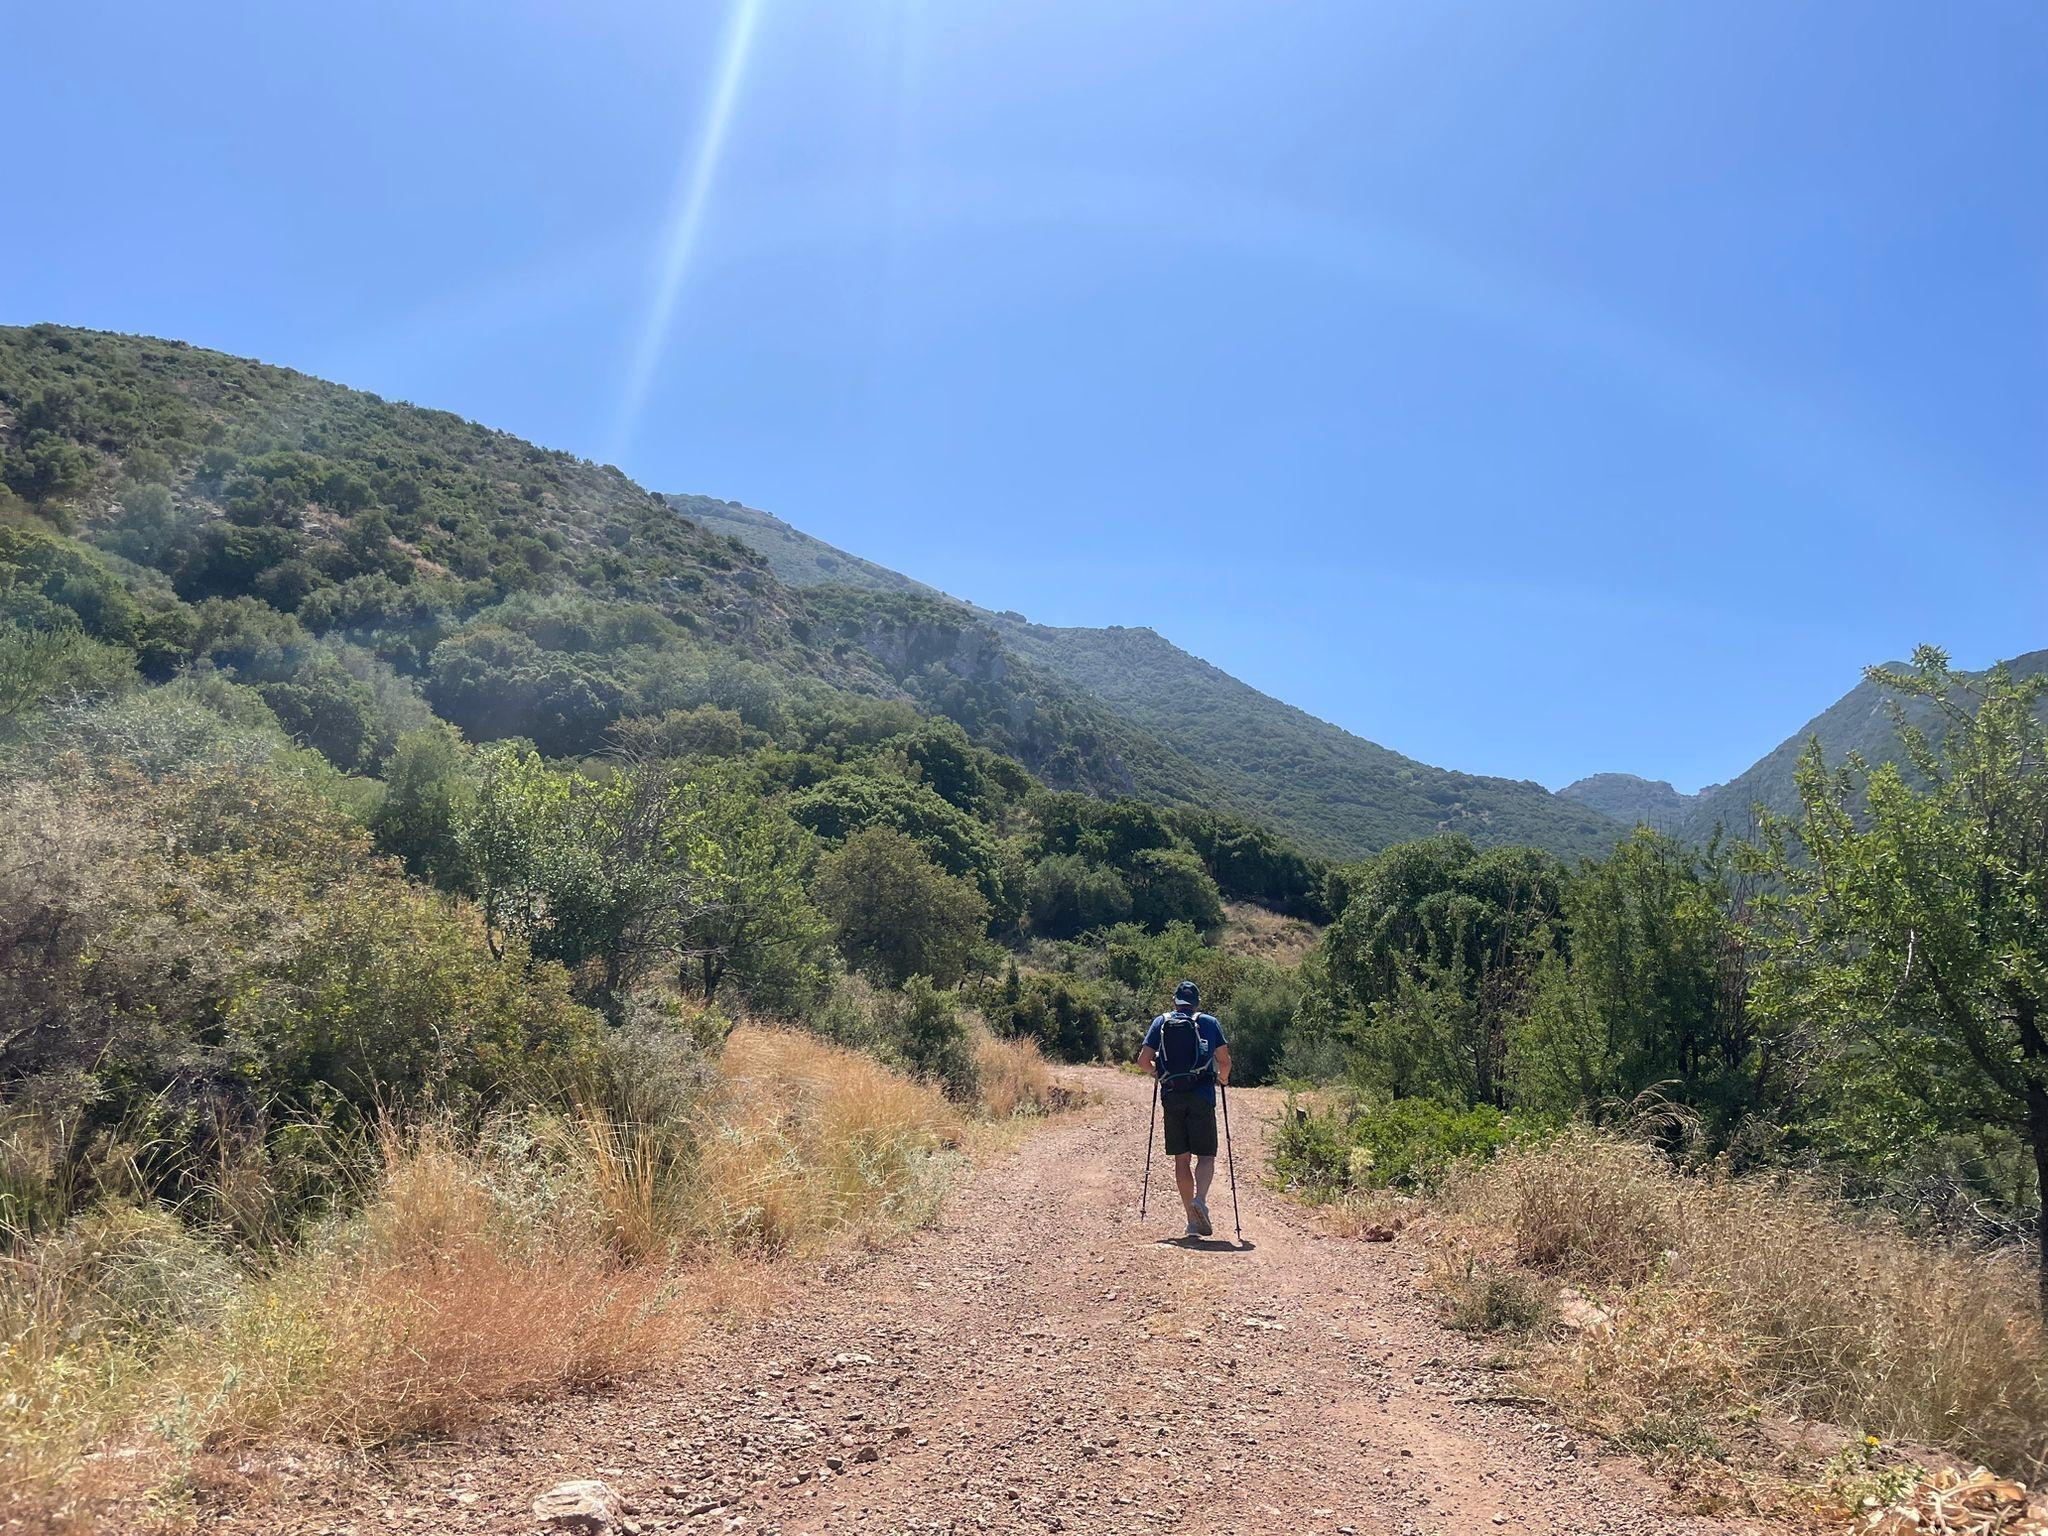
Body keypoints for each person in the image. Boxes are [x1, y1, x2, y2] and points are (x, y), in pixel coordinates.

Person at [1137, 979, 1231, 1238]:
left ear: (1175, 1001)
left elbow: (1143, 1061)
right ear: (1197, 1003)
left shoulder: (1161, 1022)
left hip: (1173, 1096)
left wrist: (1159, 1073)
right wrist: (1223, 1079)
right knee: (1206, 1156)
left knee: (1182, 1158)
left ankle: (1191, 1220)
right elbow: (1224, 1062)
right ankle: (1200, 1200)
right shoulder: (1209, 1023)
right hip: (1202, 1096)